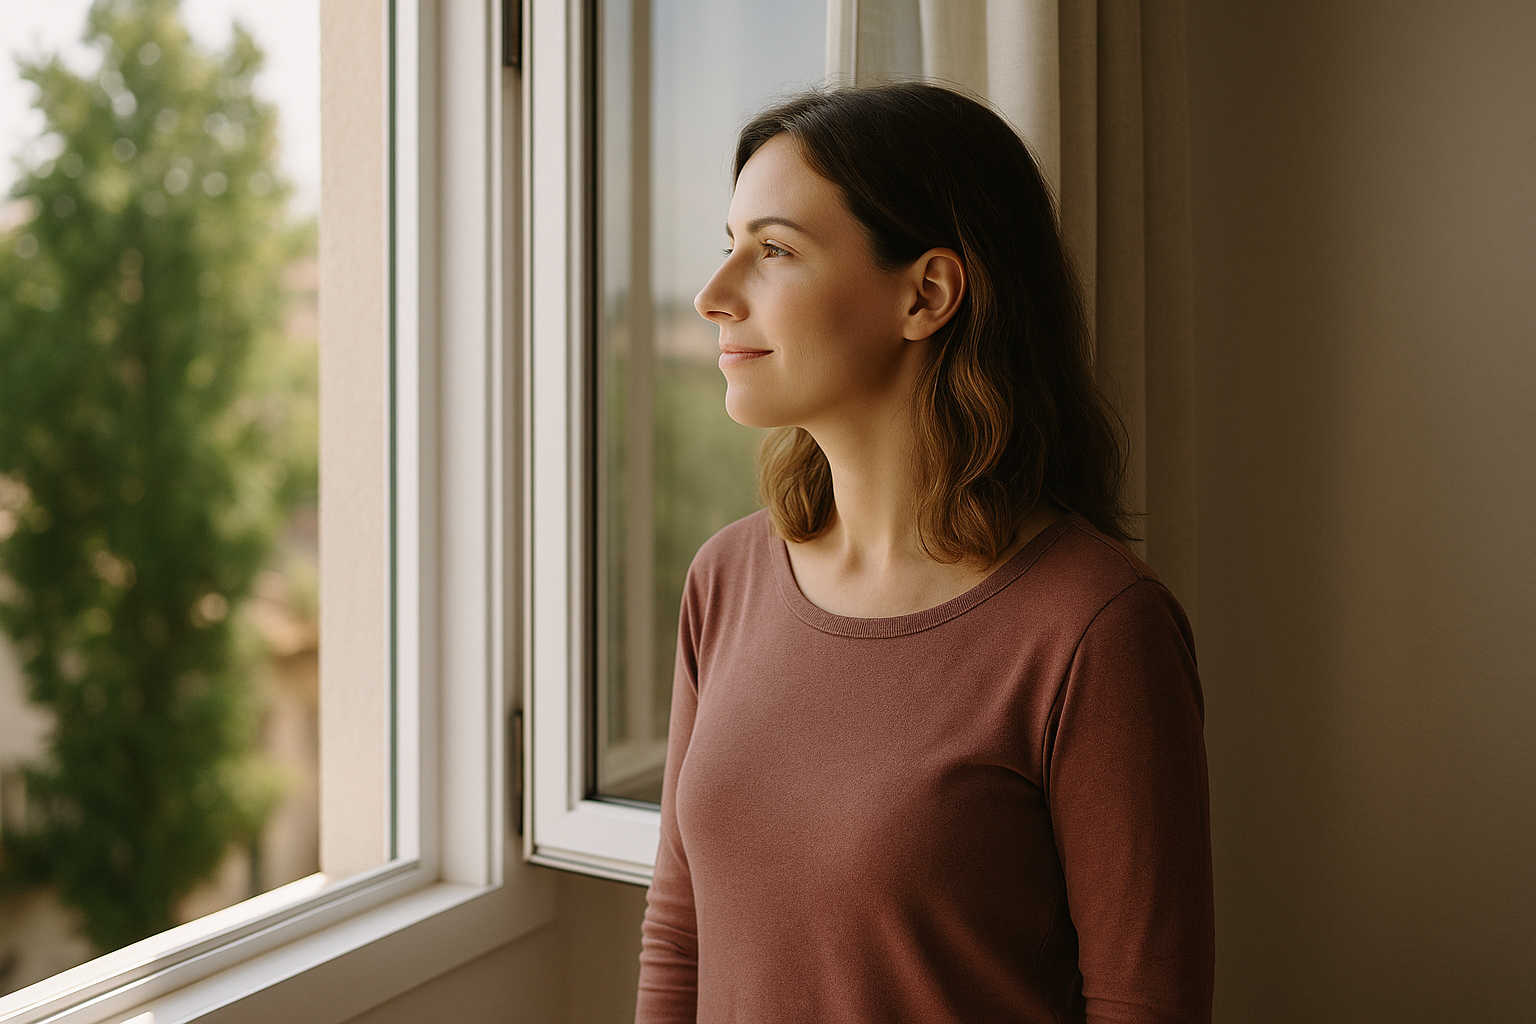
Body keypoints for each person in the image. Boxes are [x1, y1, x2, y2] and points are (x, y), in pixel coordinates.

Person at [635, 83, 1213, 1024]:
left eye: (773, 251)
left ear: (927, 294)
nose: (713, 296)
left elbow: (1142, 1006)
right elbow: (679, 935)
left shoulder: (1096, 630)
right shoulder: (725, 579)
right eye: (729, 244)